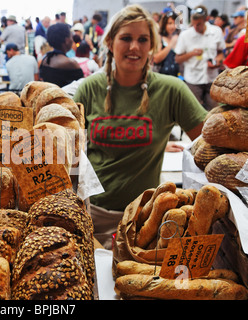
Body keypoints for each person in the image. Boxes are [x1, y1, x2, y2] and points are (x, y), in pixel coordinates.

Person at [73, 4, 207, 248]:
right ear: (110, 42)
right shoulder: (89, 89)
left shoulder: (171, 90)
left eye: (142, 40)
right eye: (126, 38)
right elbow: (69, 154)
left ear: (151, 46)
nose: (134, 47)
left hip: (145, 221)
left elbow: (210, 141)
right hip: (93, 217)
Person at [174, 5, 225, 110]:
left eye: (199, 24)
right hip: (193, 79)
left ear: (206, 20)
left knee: (213, 111)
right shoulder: (185, 35)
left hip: (211, 78)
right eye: (193, 24)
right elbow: (177, 59)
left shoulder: (216, 32)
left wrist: (218, 62)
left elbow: (220, 52)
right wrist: (191, 54)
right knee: (192, 110)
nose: (196, 27)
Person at [39, 23, 84, 87]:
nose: (72, 40)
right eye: (71, 36)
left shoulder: (45, 60)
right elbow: (81, 86)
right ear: (67, 40)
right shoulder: (71, 63)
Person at [153, 11, 180, 76]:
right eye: (170, 23)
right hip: (162, 77)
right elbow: (156, 59)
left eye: (175, 23)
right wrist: (170, 44)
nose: (172, 26)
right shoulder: (160, 37)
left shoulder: (178, 37)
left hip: (177, 76)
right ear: (165, 24)